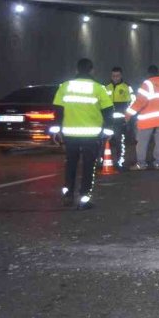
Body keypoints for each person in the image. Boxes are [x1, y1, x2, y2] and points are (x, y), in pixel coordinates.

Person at [52, 58, 114, 210]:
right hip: (91, 135)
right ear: (92, 70)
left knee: (71, 164)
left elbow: (57, 110)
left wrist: (56, 130)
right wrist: (108, 131)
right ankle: (84, 198)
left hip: (70, 133)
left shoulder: (65, 86)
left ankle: (68, 195)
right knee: (88, 167)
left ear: (76, 70)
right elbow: (108, 111)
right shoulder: (98, 88)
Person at [126, 64, 159, 170]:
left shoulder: (147, 84)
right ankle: (158, 163)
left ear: (148, 74)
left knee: (142, 142)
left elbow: (140, 102)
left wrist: (128, 114)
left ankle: (141, 164)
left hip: (147, 119)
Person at [102, 66, 131, 170]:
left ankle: (119, 162)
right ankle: (103, 161)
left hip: (119, 121)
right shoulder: (106, 87)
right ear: (111, 76)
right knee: (105, 140)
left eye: (117, 76)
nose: (115, 78)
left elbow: (130, 103)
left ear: (121, 75)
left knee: (119, 142)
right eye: (114, 76)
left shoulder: (126, 87)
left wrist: (127, 118)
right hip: (108, 120)